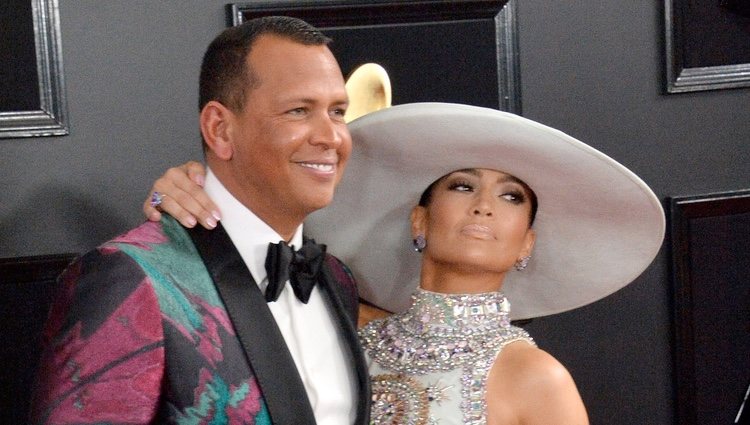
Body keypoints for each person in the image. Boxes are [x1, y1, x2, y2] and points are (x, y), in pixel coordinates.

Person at [142, 102, 666, 424]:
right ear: (420, 221)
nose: (483, 205)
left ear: (526, 243)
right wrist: (177, 203)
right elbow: (217, 303)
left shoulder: (537, 378)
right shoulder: (342, 326)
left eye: (511, 198)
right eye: (463, 186)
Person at [30, 16, 371, 425]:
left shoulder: (338, 279)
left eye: (337, 112)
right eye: (299, 110)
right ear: (220, 129)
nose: (331, 137)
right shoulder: (131, 278)